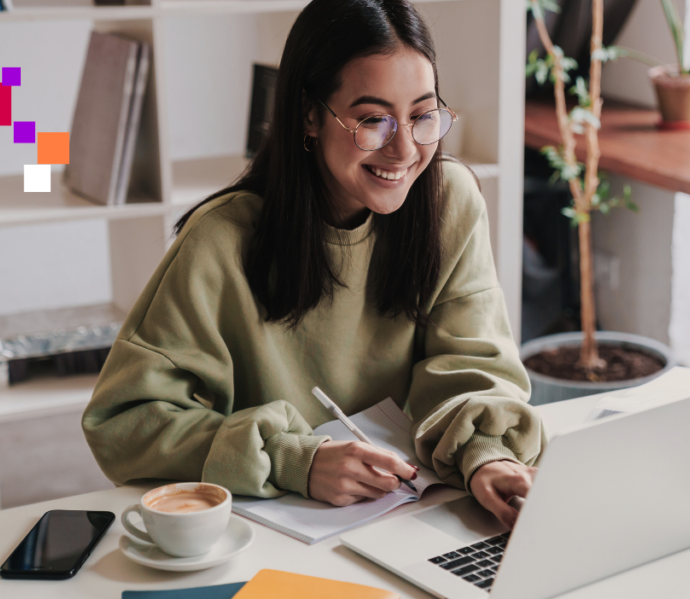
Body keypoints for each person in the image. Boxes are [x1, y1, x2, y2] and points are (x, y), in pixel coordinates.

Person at [82, 0, 546, 529]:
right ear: (308, 114)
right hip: (275, 530)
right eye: (373, 120)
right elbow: (124, 421)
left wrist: (489, 454)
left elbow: (475, 365)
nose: (404, 152)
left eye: (421, 116)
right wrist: (294, 459)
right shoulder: (220, 241)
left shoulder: (450, 202)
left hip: (418, 513)